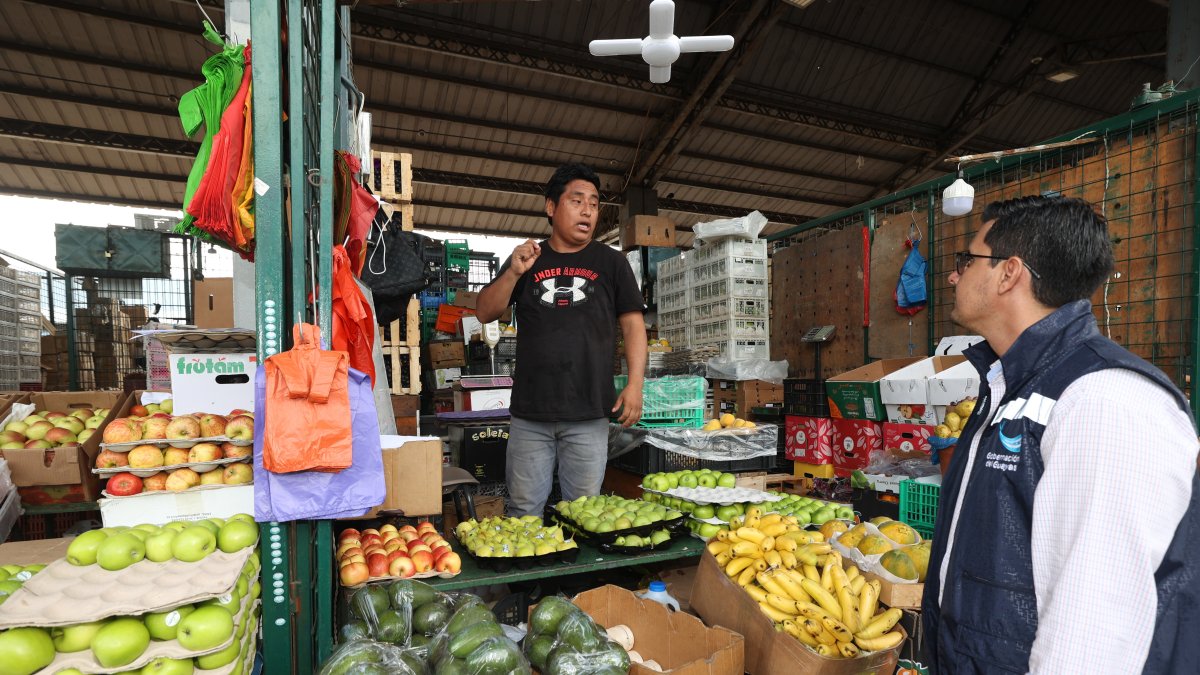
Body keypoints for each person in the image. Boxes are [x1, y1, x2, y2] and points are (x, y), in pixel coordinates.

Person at [923, 195, 1199, 674]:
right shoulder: (1011, 385)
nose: (954, 274)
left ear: (1009, 273)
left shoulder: (1103, 401)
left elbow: (1096, 628)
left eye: (967, 260)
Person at [476, 162, 647, 518]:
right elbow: (484, 312)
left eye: (595, 203)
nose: (587, 210)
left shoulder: (612, 263)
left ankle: (578, 577)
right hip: (531, 414)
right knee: (523, 510)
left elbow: (633, 326)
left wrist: (635, 385)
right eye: (577, 201)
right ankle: (531, 575)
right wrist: (513, 272)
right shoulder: (526, 259)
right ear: (551, 207)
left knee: (583, 512)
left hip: (589, 412)